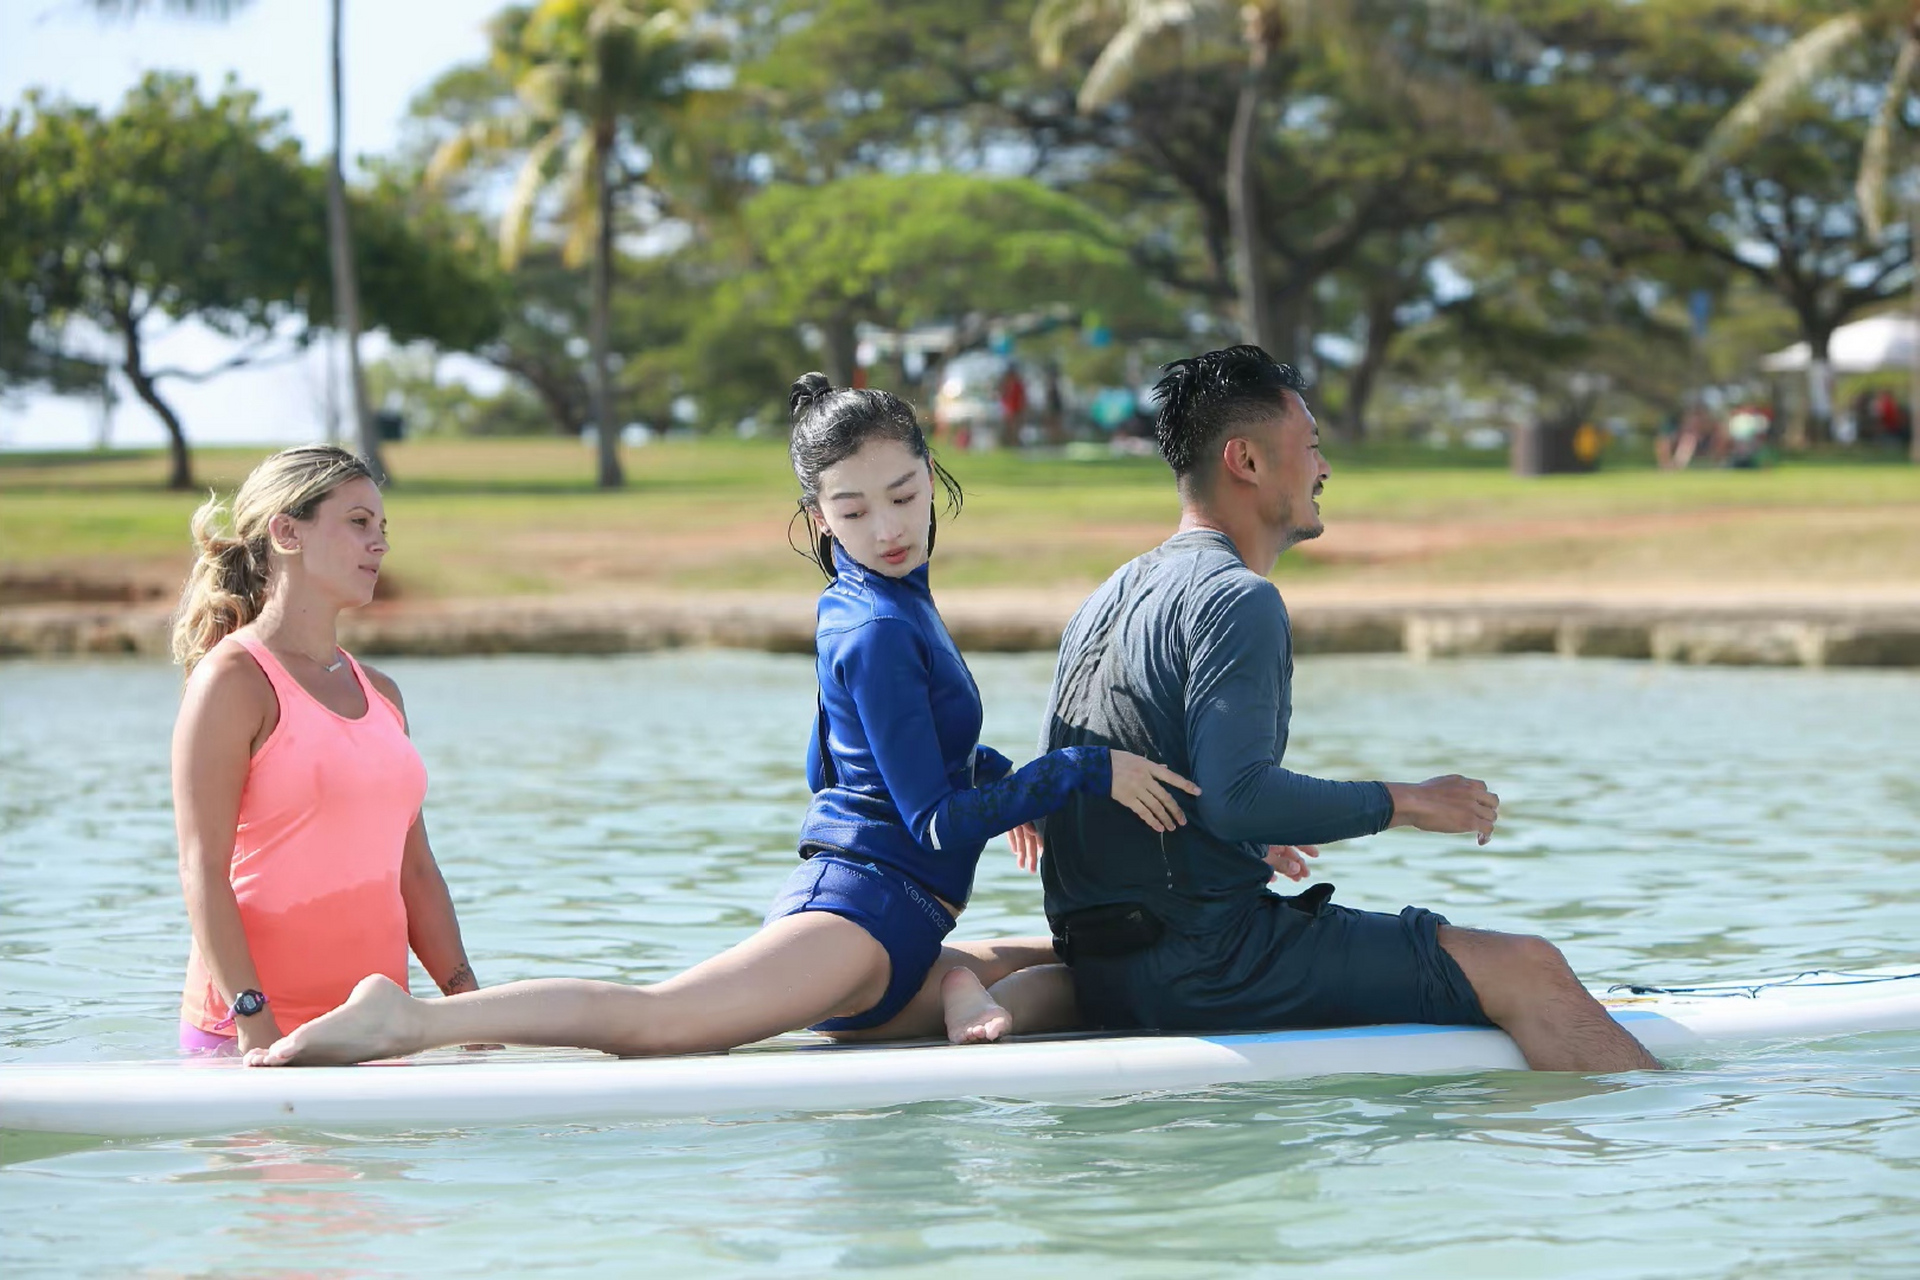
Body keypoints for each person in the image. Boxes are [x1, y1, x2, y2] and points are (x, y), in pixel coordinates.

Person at [246, 375, 1197, 1066]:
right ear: (821, 519)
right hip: (861, 915)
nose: (889, 527)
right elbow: (937, 823)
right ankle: (408, 1021)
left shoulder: (893, 598)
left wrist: (997, 773)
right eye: (855, 511)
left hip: (904, 923)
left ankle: (954, 981)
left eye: (904, 496)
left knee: (1093, 965)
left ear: (931, 476)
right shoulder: (869, 626)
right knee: (662, 1025)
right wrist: (1079, 772)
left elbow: (870, 759)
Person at [1038, 346, 1661, 1073]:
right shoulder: (1238, 599)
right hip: (1204, 969)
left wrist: (1225, 851)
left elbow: (1108, 788)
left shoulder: (1105, 597)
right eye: (1310, 446)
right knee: (1529, 968)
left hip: (1104, 968)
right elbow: (1238, 800)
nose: (1324, 467)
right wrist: (1408, 802)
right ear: (1245, 460)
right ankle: (1666, 1154)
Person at [171, 444, 480, 1056]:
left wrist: (468, 1013)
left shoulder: (384, 696)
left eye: (383, 527)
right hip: (248, 1038)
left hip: (372, 1035)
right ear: (288, 532)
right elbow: (202, 870)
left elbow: (414, 871)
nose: (380, 543)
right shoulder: (233, 680)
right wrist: (256, 1026)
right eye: (359, 522)